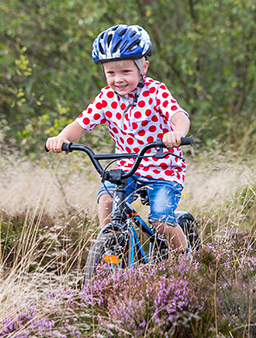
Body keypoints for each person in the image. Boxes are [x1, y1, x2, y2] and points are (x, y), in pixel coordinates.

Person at [45, 24, 192, 252]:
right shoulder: (106, 98)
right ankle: (111, 249)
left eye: (125, 72)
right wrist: (61, 137)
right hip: (127, 167)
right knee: (106, 201)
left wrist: (177, 133)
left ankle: (187, 263)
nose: (118, 79)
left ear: (143, 67)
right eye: (110, 73)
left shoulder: (156, 92)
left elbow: (179, 116)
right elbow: (80, 124)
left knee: (161, 221)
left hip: (164, 168)